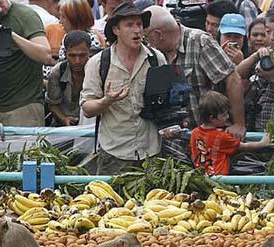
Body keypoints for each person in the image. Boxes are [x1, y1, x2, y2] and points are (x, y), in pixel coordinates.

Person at [81, 3, 172, 175]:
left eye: (139, 24)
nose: (137, 30)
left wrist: (170, 125)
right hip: (115, 154)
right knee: (111, 202)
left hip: (151, 153)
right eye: (129, 25)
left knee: (155, 201)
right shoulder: (99, 62)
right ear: (116, 30)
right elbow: (87, 108)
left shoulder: (156, 59)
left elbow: (166, 103)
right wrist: (107, 101)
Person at [145, 5, 246, 140]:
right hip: (179, 140)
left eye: (147, 36)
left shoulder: (199, 41)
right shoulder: (156, 55)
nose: (147, 42)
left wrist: (239, 124)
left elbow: (233, 80)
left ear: (159, 34)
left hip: (211, 138)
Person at [0, 0, 56, 126]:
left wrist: (10, 35)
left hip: (23, 105)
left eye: (0, 3)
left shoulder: (25, 15)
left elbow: (46, 56)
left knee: (25, 146)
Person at [190, 91, 272, 175]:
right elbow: (243, 146)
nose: (227, 117)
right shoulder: (221, 137)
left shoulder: (194, 132)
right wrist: (263, 143)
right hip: (219, 177)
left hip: (201, 175)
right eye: (223, 115)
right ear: (212, 118)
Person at [46, 30, 91, 126]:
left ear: (89, 52)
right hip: (63, 127)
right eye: (72, 56)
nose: (77, 61)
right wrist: (64, 119)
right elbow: (53, 104)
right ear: (65, 53)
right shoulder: (57, 72)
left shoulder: (98, 71)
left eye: (82, 55)